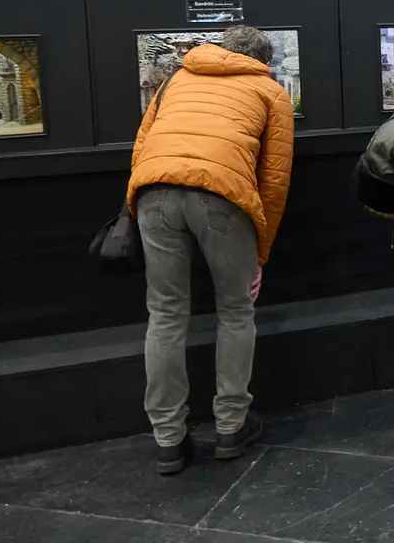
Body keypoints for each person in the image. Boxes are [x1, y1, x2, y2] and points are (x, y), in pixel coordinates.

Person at [127, 25, 294, 475]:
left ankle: (168, 439)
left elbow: (141, 147)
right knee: (236, 310)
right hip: (223, 197)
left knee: (164, 314)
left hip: (154, 192)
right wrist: (260, 255)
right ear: (263, 60)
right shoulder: (270, 91)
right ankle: (230, 427)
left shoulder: (175, 79)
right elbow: (274, 180)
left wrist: (137, 205)